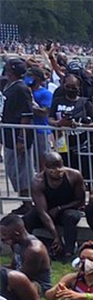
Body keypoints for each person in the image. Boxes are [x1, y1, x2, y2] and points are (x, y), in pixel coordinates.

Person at [24, 152, 86, 261]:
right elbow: (42, 212)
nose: (58, 172)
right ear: (46, 168)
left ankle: (69, 252)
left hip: (67, 209)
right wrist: (56, 236)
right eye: (54, 169)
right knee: (28, 219)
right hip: (47, 212)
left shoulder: (74, 175)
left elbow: (80, 201)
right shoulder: (38, 182)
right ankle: (31, 249)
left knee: (71, 217)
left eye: (60, 167)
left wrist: (59, 208)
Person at [1, 58, 36, 207]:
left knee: (22, 173)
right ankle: (25, 202)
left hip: (18, 137)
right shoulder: (10, 85)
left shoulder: (21, 88)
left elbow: (26, 115)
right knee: (12, 171)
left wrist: (22, 138)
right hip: (8, 136)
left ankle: (28, 204)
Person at [0, 214, 52, 292]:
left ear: (16, 234)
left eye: (4, 235)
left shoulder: (34, 250)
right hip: (20, 277)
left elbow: (23, 277)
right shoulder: (16, 244)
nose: (2, 238)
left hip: (37, 285)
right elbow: (13, 267)